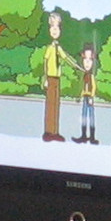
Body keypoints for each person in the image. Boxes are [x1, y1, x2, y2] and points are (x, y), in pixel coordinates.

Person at [38, 12, 72, 142]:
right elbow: (46, 62)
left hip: (57, 78)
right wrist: (45, 78)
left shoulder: (58, 47)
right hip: (51, 78)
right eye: (52, 27)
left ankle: (55, 131)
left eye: (57, 27)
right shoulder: (50, 48)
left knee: (56, 105)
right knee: (50, 105)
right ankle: (48, 131)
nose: (54, 30)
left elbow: (66, 58)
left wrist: (77, 67)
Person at [76, 44, 99, 143]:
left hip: (90, 98)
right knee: (84, 116)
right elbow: (83, 88)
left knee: (91, 116)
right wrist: (80, 96)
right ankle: (84, 135)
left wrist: (91, 96)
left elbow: (93, 87)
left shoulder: (91, 76)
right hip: (85, 98)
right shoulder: (85, 75)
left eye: (90, 60)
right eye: (85, 59)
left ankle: (92, 137)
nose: (87, 63)